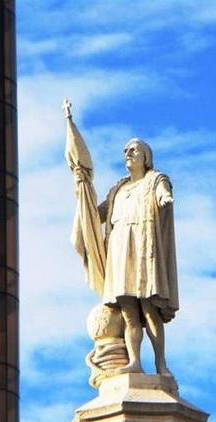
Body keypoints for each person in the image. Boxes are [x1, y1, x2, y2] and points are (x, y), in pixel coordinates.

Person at [74, 138, 179, 375]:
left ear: (146, 157)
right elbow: (95, 216)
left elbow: (163, 193)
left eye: (133, 150)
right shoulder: (118, 190)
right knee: (128, 312)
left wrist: (164, 199)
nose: (128, 154)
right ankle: (134, 362)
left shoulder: (155, 180)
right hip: (120, 251)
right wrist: (82, 188)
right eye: (125, 151)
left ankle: (160, 364)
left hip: (143, 249)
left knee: (149, 309)